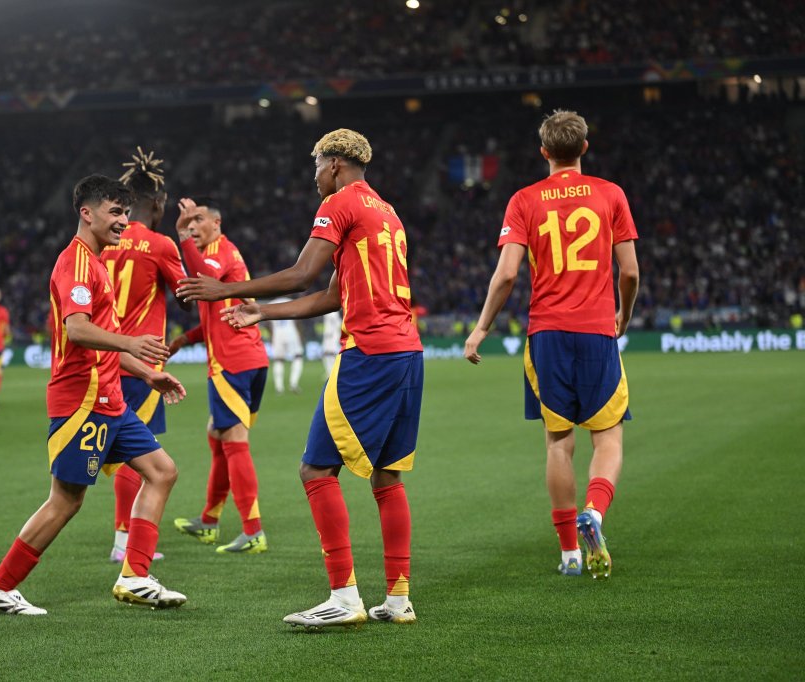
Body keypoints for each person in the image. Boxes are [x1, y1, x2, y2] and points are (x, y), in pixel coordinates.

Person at [178, 129, 423, 628]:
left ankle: (344, 596)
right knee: (388, 476)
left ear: (334, 163)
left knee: (315, 471)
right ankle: (397, 599)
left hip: (369, 352)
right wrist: (262, 312)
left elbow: (301, 273)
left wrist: (224, 290)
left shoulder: (340, 203)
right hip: (407, 353)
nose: (313, 177)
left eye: (315, 165)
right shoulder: (387, 211)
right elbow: (331, 296)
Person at [0, 175, 189, 616]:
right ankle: (0, 586)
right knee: (67, 500)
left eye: (127, 214)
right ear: (86, 213)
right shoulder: (75, 263)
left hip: (111, 397)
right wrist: (132, 344)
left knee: (163, 471)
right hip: (83, 400)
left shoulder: (98, 263)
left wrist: (149, 375)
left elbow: (103, 338)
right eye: (115, 213)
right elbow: (78, 330)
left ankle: (135, 575)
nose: (123, 222)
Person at [463, 110, 640, 580]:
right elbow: (630, 272)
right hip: (597, 330)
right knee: (608, 438)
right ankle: (595, 513)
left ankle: (568, 554)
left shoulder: (524, 201)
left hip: (546, 335)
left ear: (544, 152)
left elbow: (506, 274)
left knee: (558, 445)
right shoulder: (611, 195)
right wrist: (625, 311)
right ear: (584, 148)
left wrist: (481, 329)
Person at [168, 196, 271, 555]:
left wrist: (181, 238)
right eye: (188, 223)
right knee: (217, 434)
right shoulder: (224, 252)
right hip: (249, 359)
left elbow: (205, 277)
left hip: (232, 363)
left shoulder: (220, 251)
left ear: (217, 223)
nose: (192, 226)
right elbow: (217, 314)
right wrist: (185, 338)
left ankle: (253, 531)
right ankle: (209, 521)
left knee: (233, 440)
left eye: (198, 220)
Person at [101, 147, 189, 564]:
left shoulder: (102, 244)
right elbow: (187, 295)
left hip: (106, 356)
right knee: (140, 451)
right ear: (157, 204)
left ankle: (124, 538)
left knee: (122, 448)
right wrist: (185, 239)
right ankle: (125, 540)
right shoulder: (159, 244)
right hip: (143, 361)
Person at [267, 297, 304, 393]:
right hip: (291, 333)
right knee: (298, 356)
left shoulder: (271, 303)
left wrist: (272, 336)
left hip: (277, 334)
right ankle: (293, 383)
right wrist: (300, 334)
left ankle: (279, 387)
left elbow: (268, 323)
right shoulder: (290, 300)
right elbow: (298, 319)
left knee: (278, 360)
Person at [320, 309, 342, 377]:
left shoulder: (332, 312)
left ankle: (335, 372)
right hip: (327, 336)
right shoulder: (327, 312)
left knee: (331, 354)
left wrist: (333, 333)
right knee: (325, 354)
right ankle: (329, 372)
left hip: (332, 336)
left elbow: (338, 323)